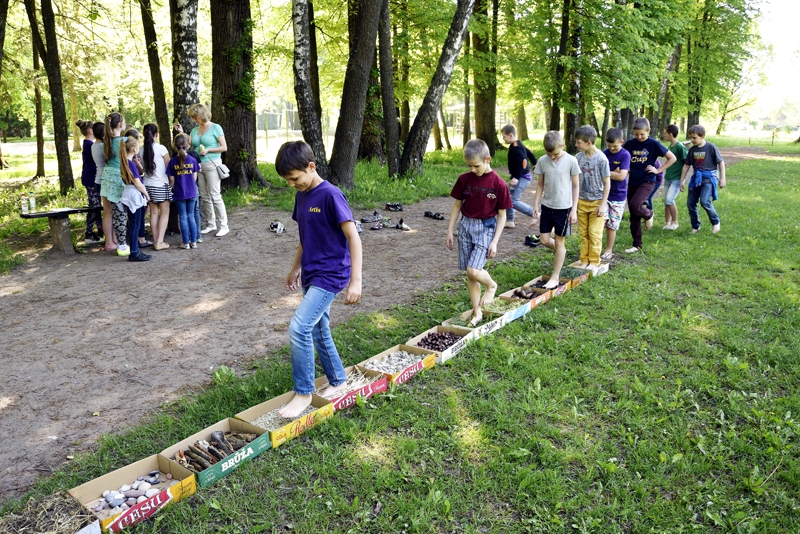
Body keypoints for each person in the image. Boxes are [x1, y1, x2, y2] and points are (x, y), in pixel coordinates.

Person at [274, 140, 362, 419]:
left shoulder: (331, 195)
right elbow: (305, 236)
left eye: (295, 178)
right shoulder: (301, 195)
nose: (292, 184)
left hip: (331, 274)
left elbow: (353, 238)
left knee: (299, 327)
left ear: (311, 167)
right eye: (288, 180)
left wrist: (356, 280)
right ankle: (338, 380)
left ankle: (303, 393)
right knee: (317, 328)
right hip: (311, 271)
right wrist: (295, 267)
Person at [446, 139, 511, 326]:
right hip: (466, 226)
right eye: (469, 166)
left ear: (487, 159)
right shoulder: (464, 179)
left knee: (473, 270)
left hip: (485, 228)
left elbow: (502, 215)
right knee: (470, 275)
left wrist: (495, 242)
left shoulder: (498, 184)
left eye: (476, 166)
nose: (473, 170)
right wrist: (450, 230)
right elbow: (457, 205)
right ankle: (477, 313)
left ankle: (491, 285)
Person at [531, 131, 580, 289]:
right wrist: (536, 204)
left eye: (556, 154)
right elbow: (540, 185)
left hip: (564, 208)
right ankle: (561, 251)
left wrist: (574, 209)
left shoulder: (571, 161)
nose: (552, 157)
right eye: (549, 154)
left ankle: (555, 276)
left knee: (559, 242)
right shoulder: (542, 161)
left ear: (563, 146)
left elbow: (575, 186)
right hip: (547, 206)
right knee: (544, 240)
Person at [622, 118, 676, 253]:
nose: (639, 137)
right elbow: (622, 156)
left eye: (642, 134)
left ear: (648, 131)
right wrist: (625, 167)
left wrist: (658, 170)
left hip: (648, 181)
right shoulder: (629, 144)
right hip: (633, 181)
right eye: (636, 134)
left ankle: (649, 214)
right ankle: (637, 245)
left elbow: (672, 158)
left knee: (635, 206)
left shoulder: (653, 144)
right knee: (633, 214)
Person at [188, 103, 229, 237]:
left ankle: (224, 225)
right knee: (204, 196)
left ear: (202, 115)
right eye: (193, 118)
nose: (194, 120)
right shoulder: (194, 130)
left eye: (196, 117)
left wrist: (209, 149)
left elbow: (224, 147)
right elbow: (189, 144)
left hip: (212, 164)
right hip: (198, 166)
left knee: (215, 195)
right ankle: (211, 224)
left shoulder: (215, 128)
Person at [574, 126, 610, 270]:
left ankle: (594, 261)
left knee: (594, 233)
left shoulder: (602, 159)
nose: (577, 145)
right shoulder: (578, 158)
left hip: (596, 202)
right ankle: (584, 259)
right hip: (581, 201)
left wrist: (603, 205)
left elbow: (607, 183)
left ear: (588, 142)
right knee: (583, 233)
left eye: (579, 142)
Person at [680, 124, 726, 234]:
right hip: (696, 178)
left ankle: (716, 222)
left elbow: (721, 162)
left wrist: (723, 178)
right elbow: (686, 166)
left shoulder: (711, 147)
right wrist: (682, 180)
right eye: (690, 137)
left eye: (694, 137)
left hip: (709, 178)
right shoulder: (692, 150)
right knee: (691, 203)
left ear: (702, 136)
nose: (692, 140)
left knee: (705, 201)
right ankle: (695, 226)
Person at [99, 112, 130, 256]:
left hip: (106, 175)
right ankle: (119, 240)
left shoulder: (106, 140)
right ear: (120, 124)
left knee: (107, 212)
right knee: (119, 211)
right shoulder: (123, 140)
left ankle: (109, 242)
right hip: (117, 175)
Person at [118, 137, 151, 262]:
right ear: (134, 148)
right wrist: (146, 195)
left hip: (128, 192)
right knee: (135, 224)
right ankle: (134, 252)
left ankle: (135, 250)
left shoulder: (124, 162)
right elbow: (137, 182)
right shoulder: (130, 163)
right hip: (134, 194)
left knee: (133, 224)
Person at [141, 124, 172, 250]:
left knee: (153, 213)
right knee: (165, 213)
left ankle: (155, 241)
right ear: (156, 134)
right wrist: (172, 182)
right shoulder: (161, 149)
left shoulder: (140, 150)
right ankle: (160, 241)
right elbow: (169, 167)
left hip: (147, 185)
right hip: (161, 184)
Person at [601, 128, 630, 260]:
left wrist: (606, 172)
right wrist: (614, 172)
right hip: (602, 196)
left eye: (615, 146)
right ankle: (595, 248)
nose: (612, 149)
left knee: (612, 225)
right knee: (600, 221)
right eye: (609, 146)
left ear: (622, 142)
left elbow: (621, 177)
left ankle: (608, 249)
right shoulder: (602, 154)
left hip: (618, 196)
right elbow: (598, 172)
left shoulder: (625, 155)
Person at [500, 124, 537, 231]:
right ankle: (510, 221)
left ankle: (534, 214)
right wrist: (534, 162)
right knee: (508, 197)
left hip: (522, 178)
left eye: (504, 136)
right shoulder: (517, 144)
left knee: (512, 201)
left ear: (510, 135)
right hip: (522, 176)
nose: (503, 139)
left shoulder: (515, 148)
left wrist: (516, 177)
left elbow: (523, 161)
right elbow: (528, 152)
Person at [167, 133, 200, 249]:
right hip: (192, 192)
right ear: (188, 144)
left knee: (183, 216)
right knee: (191, 215)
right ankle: (194, 241)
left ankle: (185, 242)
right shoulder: (193, 160)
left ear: (174, 145)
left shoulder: (172, 162)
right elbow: (195, 178)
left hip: (179, 193)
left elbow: (171, 179)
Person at [91, 122, 116, 250]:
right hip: (104, 180)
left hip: (98, 180)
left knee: (108, 212)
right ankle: (110, 242)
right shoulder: (103, 146)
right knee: (109, 212)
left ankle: (111, 240)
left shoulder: (94, 145)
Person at [77, 120, 103, 244]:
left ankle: (100, 230)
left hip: (92, 178)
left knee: (97, 206)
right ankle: (88, 232)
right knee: (94, 206)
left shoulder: (89, 144)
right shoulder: (89, 145)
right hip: (91, 179)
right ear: (90, 131)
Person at [662, 124, 689, 230]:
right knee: (666, 201)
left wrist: (682, 179)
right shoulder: (670, 147)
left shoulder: (680, 147)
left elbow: (686, 163)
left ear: (671, 134)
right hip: (668, 178)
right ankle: (667, 223)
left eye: (665, 133)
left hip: (677, 179)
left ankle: (675, 222)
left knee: (669, 199)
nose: (664, 135)